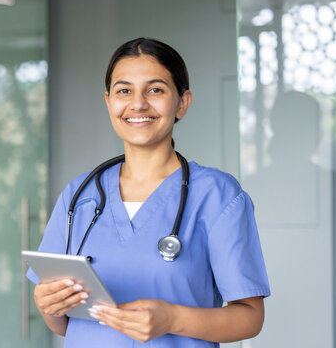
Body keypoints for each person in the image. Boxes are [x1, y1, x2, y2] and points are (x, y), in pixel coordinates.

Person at [27, 37, 270, 347]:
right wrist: (48, 305)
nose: (138, 103)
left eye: (155, 90)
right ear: (108, 102)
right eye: (123, 90)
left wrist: (172, 319)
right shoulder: (80, 195)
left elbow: (249, 317)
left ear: (182, 102)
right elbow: (62, 325)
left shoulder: (217, 195)